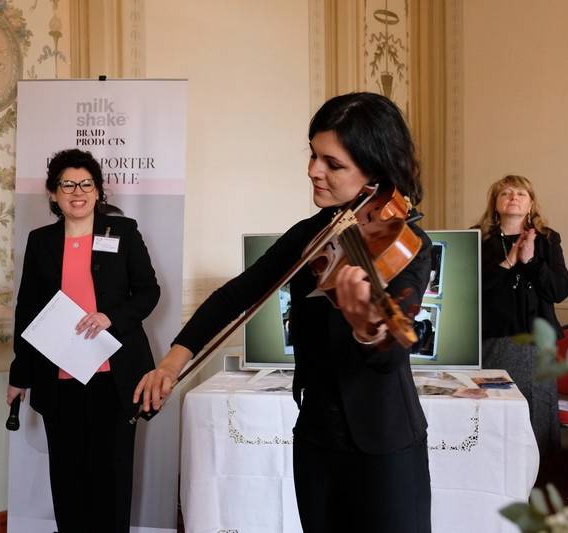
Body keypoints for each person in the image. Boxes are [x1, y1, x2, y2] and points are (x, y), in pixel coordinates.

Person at [135, 92, 432, 532]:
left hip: (384, 444)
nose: (314, 170)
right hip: (315, 437)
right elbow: (235, 295)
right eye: (313, 156)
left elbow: (389, 357)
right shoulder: (310, 235)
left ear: (374, 172)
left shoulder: (408, 245)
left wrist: (365, 325)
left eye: (333, 163)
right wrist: (173, 362)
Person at [7, 148, 160, 532]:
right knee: (68, 476)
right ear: (53, 194)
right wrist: (19, 373)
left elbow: (148, 292)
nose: (78, 191)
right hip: (59, 379)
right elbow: (28, 311)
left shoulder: (122, 232)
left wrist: (112, 317)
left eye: (86, 184)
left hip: (115, 377)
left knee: (113, 476)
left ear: (97, 191)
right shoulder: (40, 241)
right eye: (68, 184)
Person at [475, 174, 568, 454]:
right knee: (493, 416)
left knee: (535, 417)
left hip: (536, 344)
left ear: (531, 204)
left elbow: (560, 290)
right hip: (491, 341)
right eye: (505, 193)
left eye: (520, 193)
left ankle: (537, 486)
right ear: (495, 204)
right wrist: (508, 263)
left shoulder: (547, 240)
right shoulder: (479, 239)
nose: (513, 197)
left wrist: (530, 262)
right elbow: (471, 292)